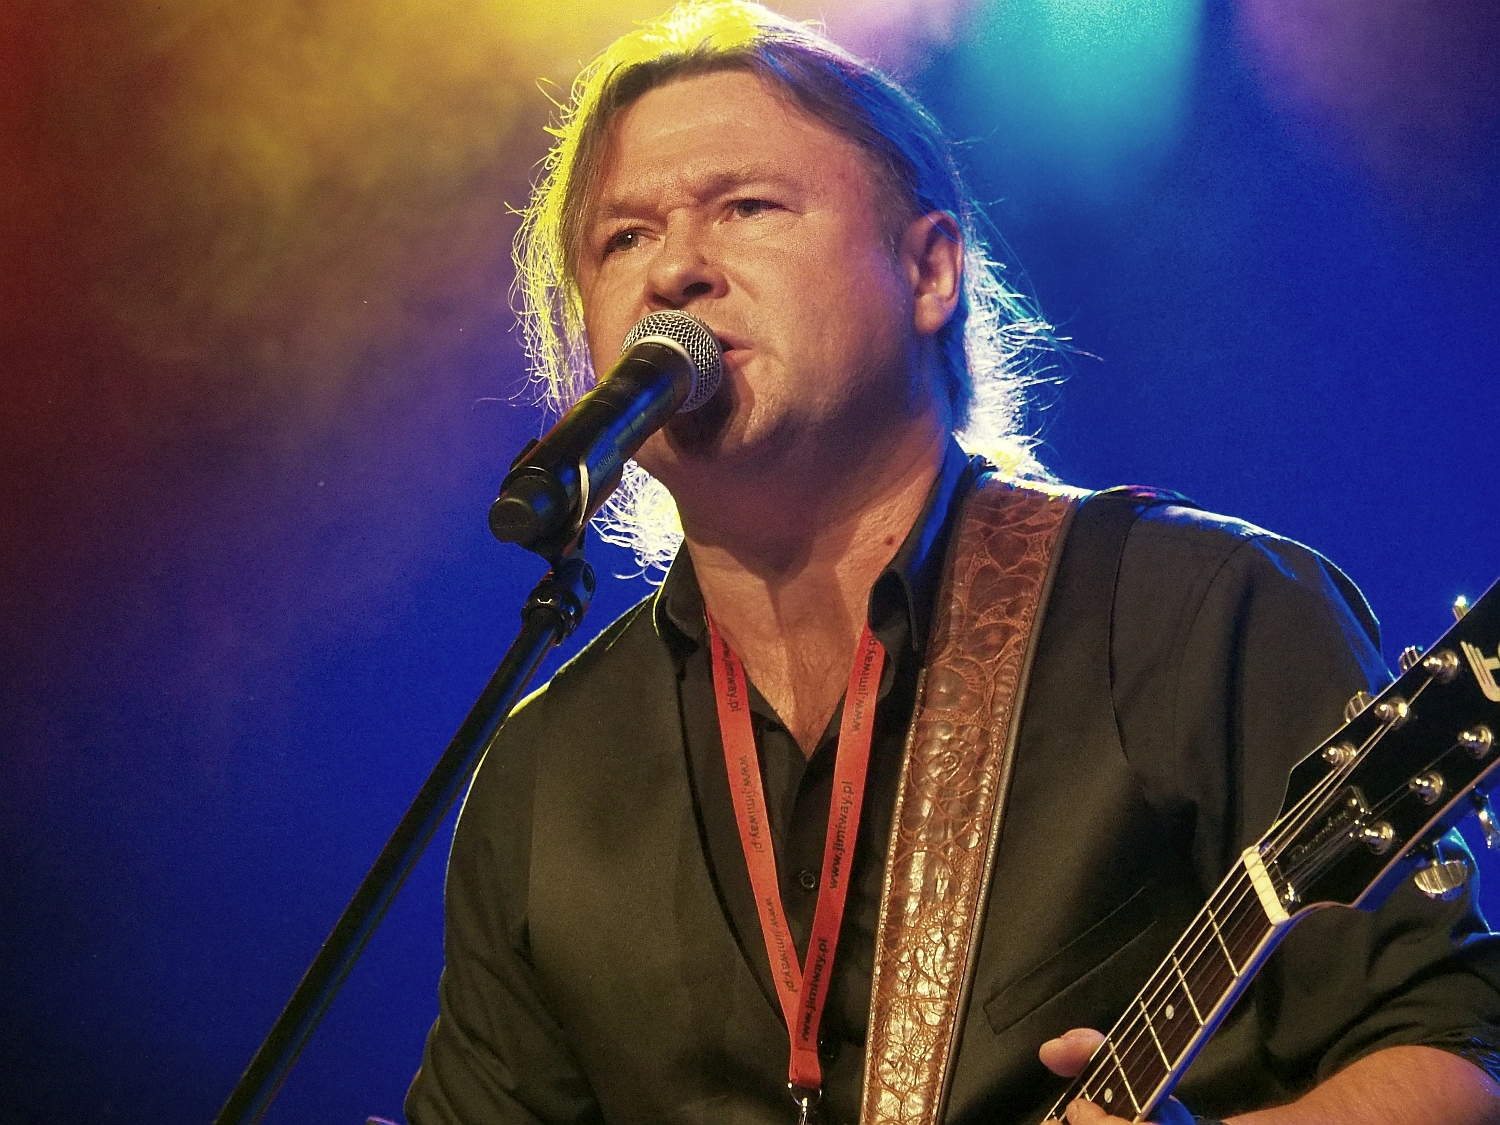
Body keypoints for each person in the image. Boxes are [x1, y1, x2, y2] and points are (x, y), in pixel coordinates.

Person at [406, 3, 1500, 1123]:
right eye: (623, 238)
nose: (675, 268)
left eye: (745, 207)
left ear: (929, 269)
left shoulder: (1197, 615)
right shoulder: (544, 775)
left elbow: (1463, 1060)